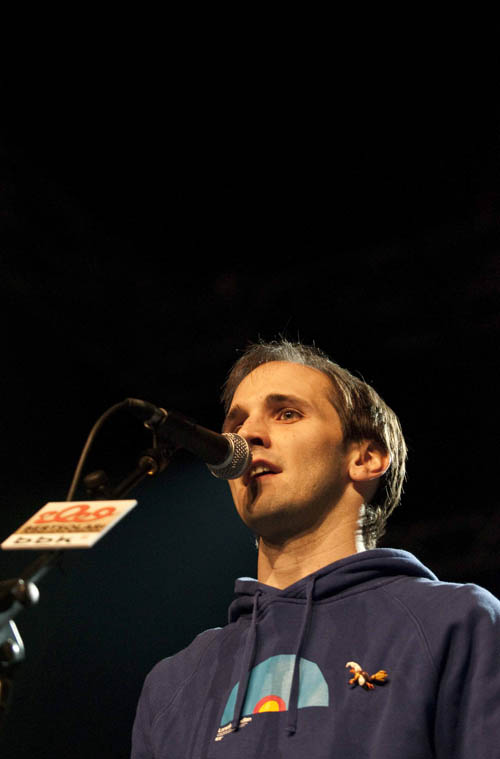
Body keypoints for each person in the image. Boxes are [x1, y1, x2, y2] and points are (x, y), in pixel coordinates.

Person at [131, 340, 500, 758]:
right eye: (237, 424)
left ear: (366, 458)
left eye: (287, 413)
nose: (247, 435)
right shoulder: (172, 683)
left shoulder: (456, 622)